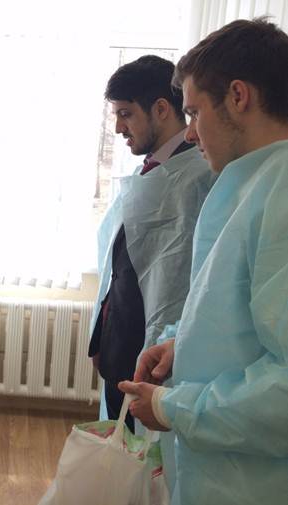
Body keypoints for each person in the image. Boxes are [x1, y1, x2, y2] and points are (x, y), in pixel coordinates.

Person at [120, 18, 288, 505]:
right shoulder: (253, 181)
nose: (190, 133)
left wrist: (174, 408)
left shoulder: (280, 193)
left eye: (194, 113)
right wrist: (183, 345)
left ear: (238, 97)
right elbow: (239, 315)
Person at [88, 55, 216, 432]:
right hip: (121, 350)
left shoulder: (200, 177)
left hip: (157, 360)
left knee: (144, 461)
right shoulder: (150, 172)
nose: (118, 128)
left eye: (126, 114)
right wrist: (102, 339)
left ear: (161, 109)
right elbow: (121, 267)